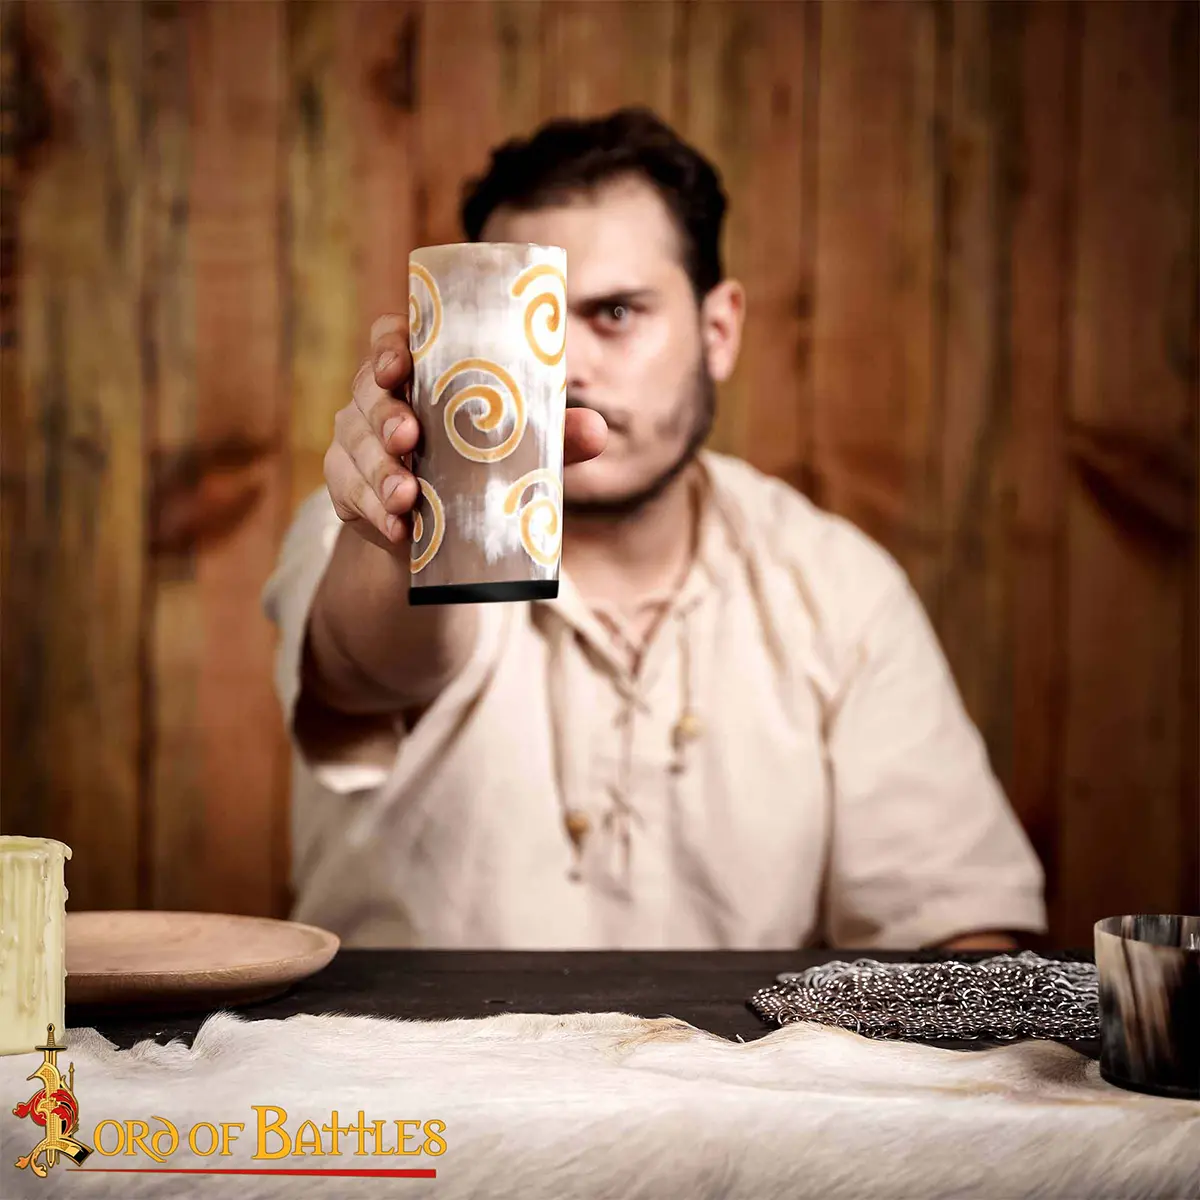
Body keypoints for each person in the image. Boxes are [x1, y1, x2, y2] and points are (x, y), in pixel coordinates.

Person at [262, 108, 1047, 951]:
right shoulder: (365, 520)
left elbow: (958, 929)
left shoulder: (836, 583)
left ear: (718, 331)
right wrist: (404, 535)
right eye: (525, 318)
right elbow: (369, 668)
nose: (564, 366)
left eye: (614, 312)